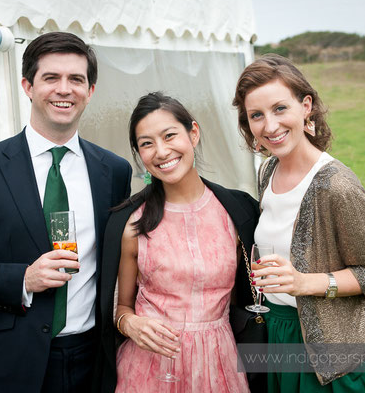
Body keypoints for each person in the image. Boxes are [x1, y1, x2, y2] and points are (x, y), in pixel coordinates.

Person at [0, 32, 132, 393]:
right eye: (51, 78)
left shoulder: (114, 171)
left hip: (92, 360)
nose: (64, 89)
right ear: (27, 85)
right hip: (8, 362)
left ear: (91, 91)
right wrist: (21, 280)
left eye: (76, 79)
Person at [232, 54, 365, 391]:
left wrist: (305, 283)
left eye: (279, 109)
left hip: (329, 352)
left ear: (306, 106)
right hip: (279, 333)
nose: (269, 126)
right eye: (256, 115)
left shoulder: (338, 185)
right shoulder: (268, 171)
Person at [95, 92, 259, 392]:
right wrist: (129, 323)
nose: (161, 151)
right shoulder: (131, 223)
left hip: (219, 367)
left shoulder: (237, 212)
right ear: (139, 154)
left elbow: (243, 298)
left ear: (193, 133)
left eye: (170, 135)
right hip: (148, 370)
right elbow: (120, 308)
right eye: (146, 143)